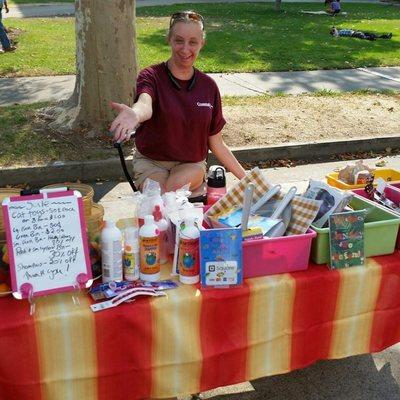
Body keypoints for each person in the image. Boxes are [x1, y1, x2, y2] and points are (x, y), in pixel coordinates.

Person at [110, 10, 246, 194]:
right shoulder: (151, 76)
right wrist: (135, 114)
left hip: (191, 164)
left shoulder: (208, 86)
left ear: (202, 44)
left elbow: (217, 144)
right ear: (169, 39)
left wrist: (250, 181)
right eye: (179, 40)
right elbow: (144, 104)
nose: (185, 49)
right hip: (152, 162)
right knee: (160, 197)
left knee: (172, 190)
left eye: (193, 42)